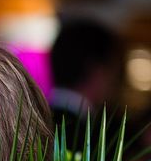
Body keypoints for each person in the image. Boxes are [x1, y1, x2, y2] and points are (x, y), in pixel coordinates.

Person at [49, 18, 122, 147]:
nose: (115, 81)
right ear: (98, 70)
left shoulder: (28, 121)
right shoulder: (94, 139)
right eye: (115, 69)